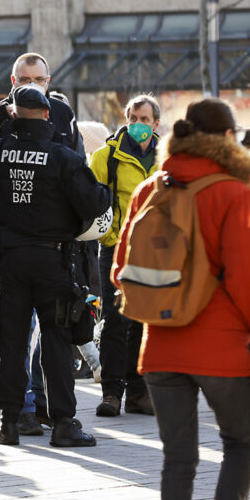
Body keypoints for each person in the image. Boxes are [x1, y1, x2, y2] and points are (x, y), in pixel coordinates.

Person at [114, 98, 250, 500]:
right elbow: (249, 276)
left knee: (177, 459)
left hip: (160, 345)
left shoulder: (152, 187)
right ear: (230, 138)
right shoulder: (233, 192)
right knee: (239, 445)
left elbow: (121, 268)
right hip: (222, 347)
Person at [0, 85, 110, 448]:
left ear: (14, 113)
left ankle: (9, 423)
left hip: (10, 261)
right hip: (54, 261)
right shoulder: (63, 158)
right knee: (56, 340)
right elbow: (96, 203)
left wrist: (0, 111)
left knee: (10, 341)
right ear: (46, 116)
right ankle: (63, 423)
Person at [89, 95, 161, 418]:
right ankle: (112, 392)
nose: (138, 125)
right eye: (133, 118)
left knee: (143, 323)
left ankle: (138, 392)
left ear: (156, 124)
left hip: (154, 252)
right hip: (116, 248)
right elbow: (91, 200)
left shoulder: (167, 157)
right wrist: (106, 236)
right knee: (115, 322)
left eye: (145, 120)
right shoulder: (107, 156)